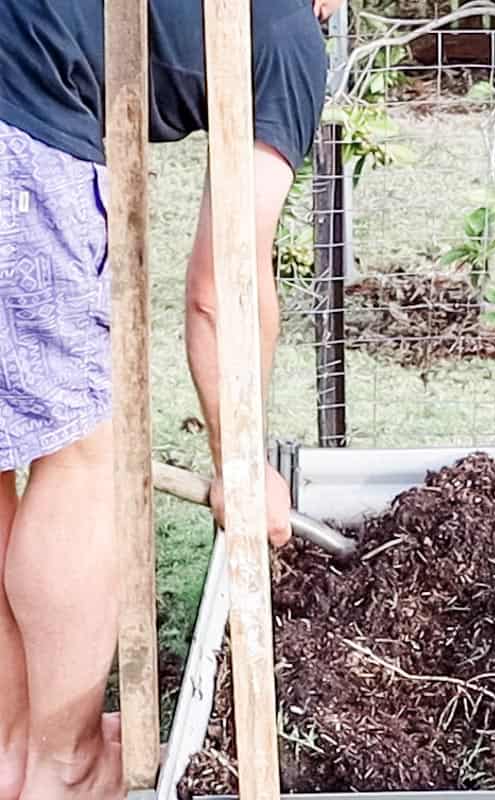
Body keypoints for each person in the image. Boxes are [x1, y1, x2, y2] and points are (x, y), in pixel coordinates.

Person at [0, 1, 341, 797]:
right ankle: (65, 763)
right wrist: (241, 467)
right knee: (80, 461)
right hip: (18, 137)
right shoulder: (288, 37)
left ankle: (13, 742)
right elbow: (222, 286)